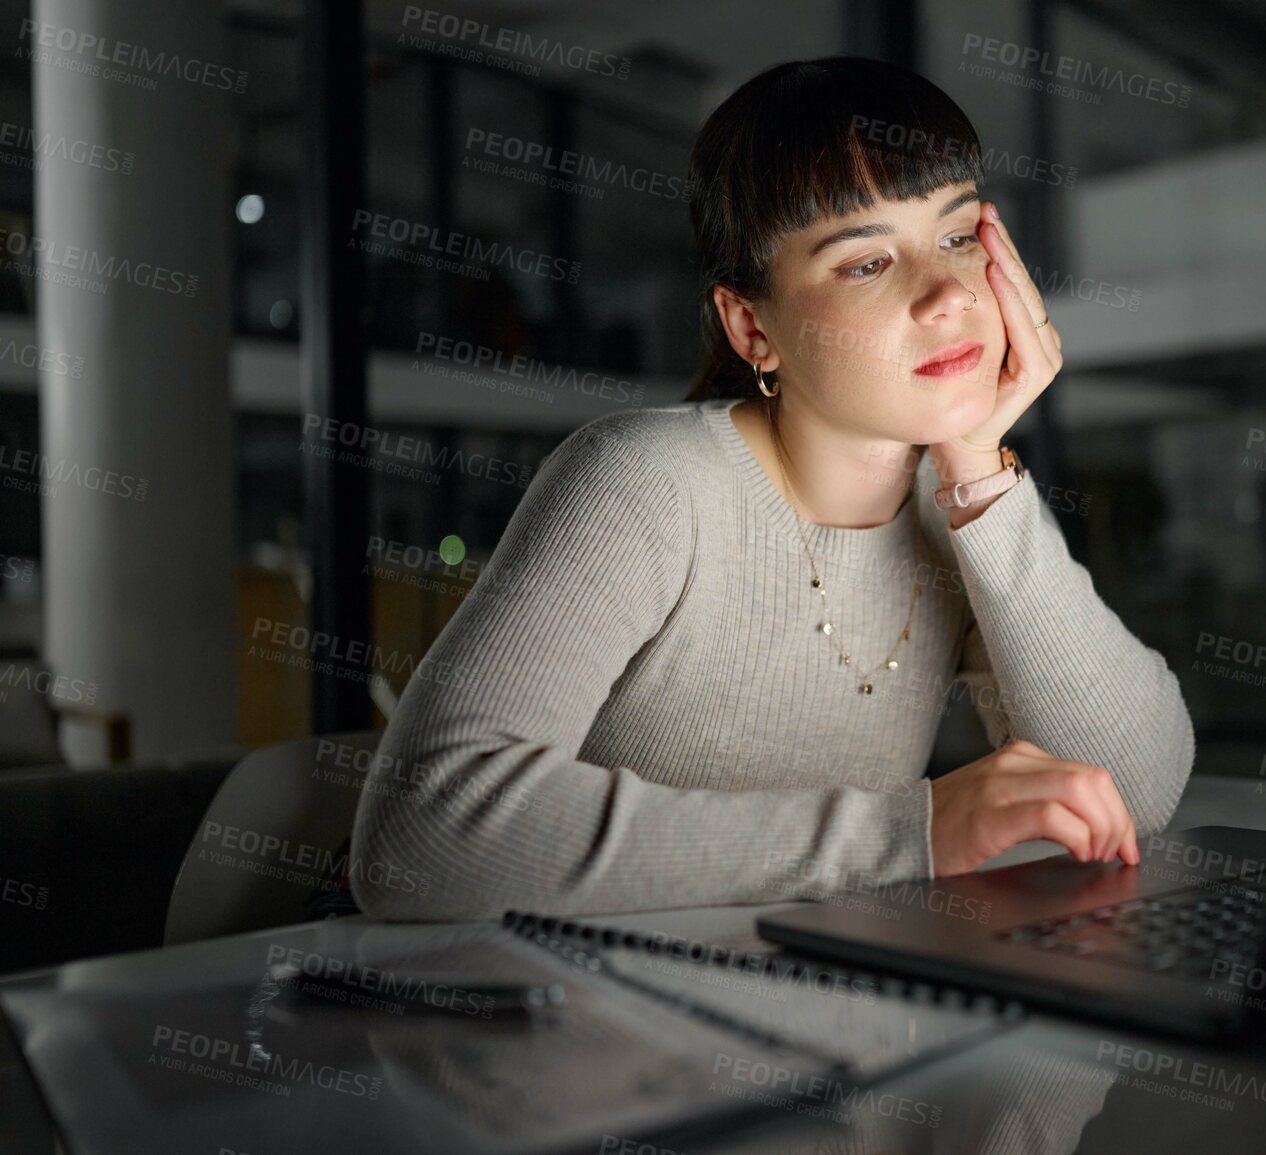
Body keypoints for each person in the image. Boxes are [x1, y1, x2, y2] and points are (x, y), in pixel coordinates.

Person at [350, 56, 1194, 921]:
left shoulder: (961, 509)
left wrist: (982, 469)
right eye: (866, 263)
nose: (946, 293)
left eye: (956, 237)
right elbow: (421, 837)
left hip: (827, 1013)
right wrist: (914, 833)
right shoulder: (645, 482)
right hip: (580, 1023)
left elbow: (1132, 789)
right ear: (753, 326)